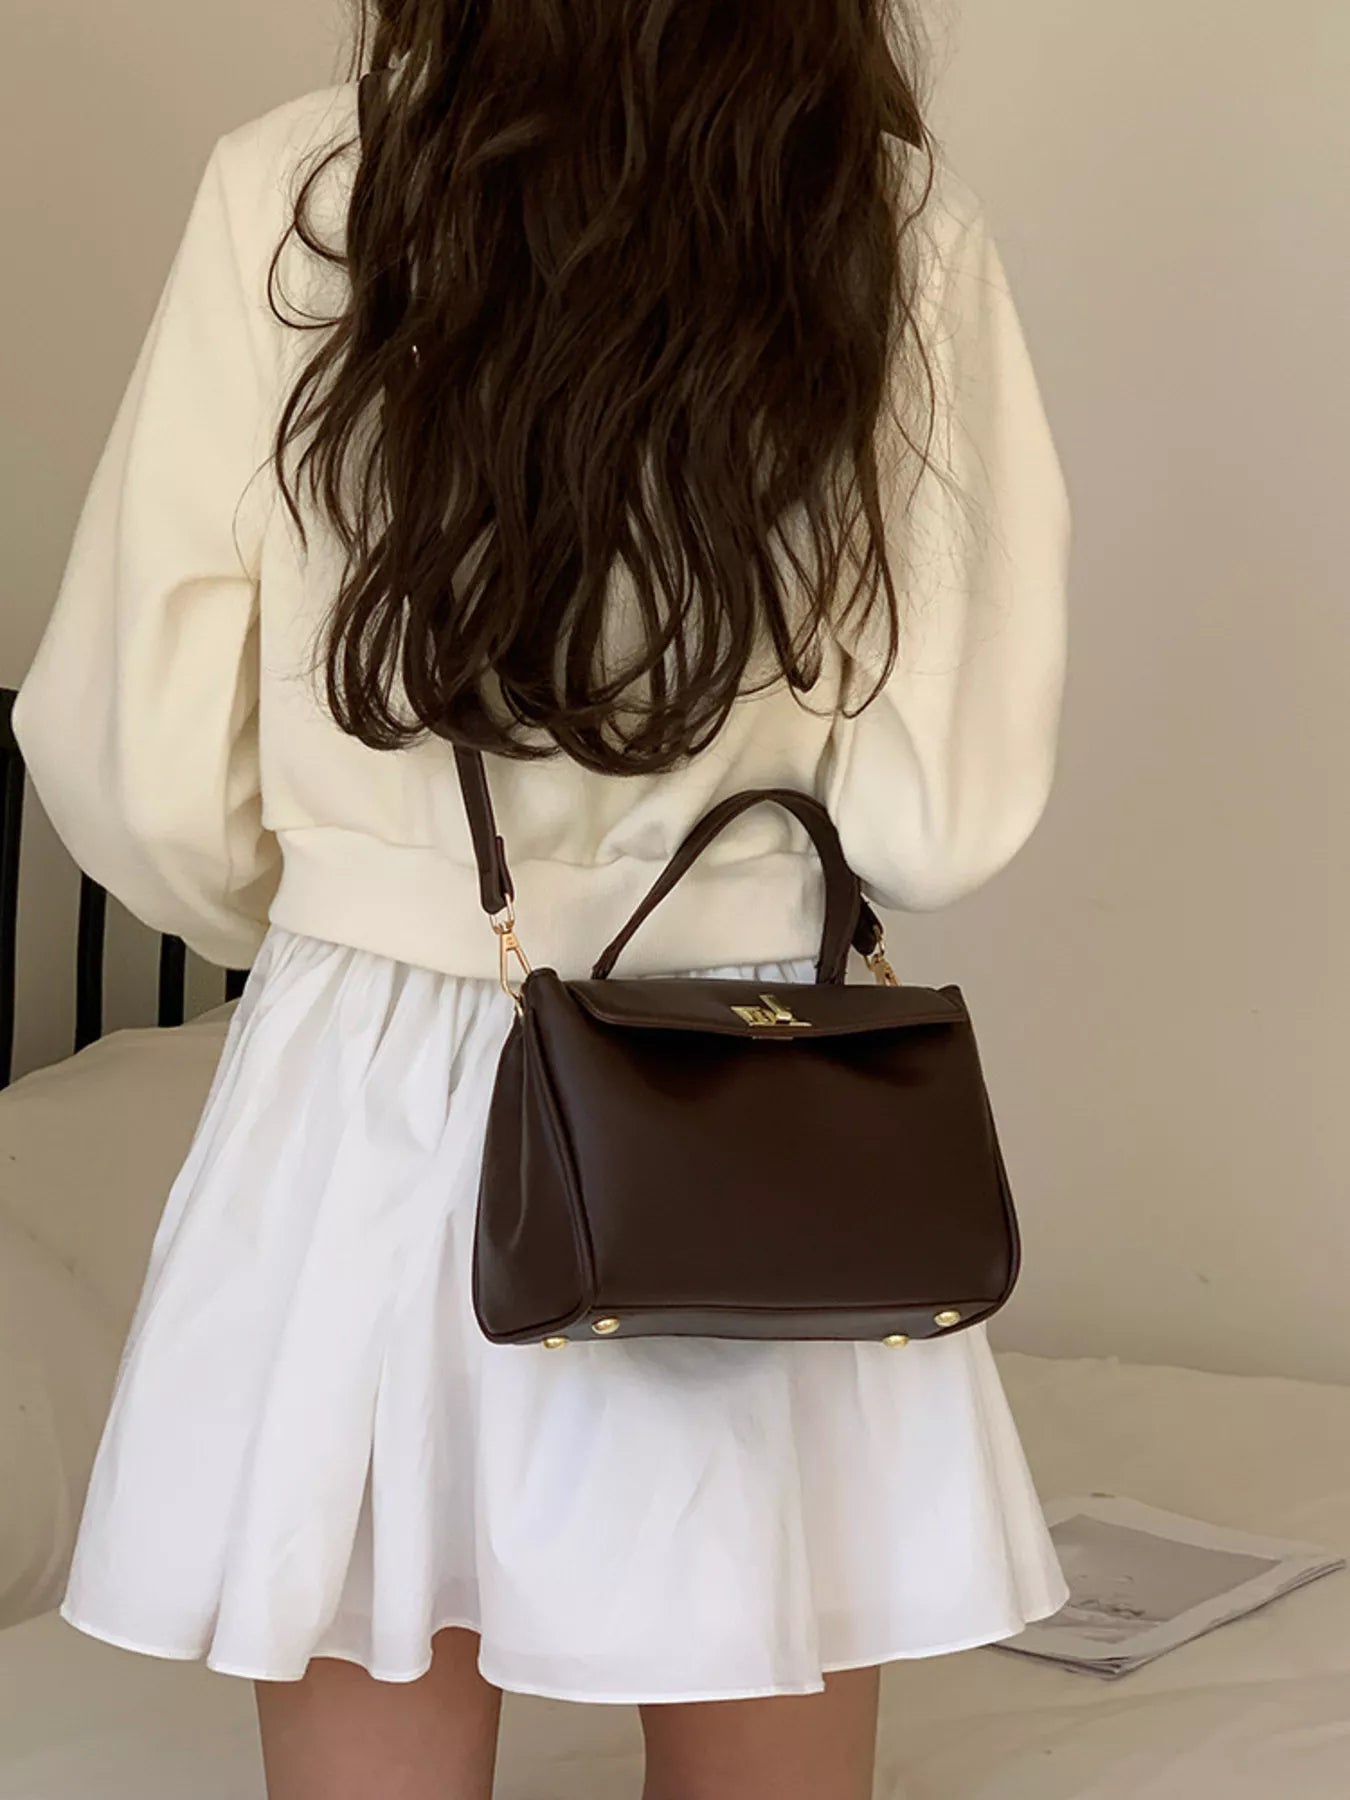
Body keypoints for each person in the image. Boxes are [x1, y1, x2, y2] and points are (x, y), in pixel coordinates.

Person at [13, 5, 1072, 1796]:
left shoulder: (299, 188)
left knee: (371, 1641)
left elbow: (141, 761)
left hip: (365, 1069)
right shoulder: (881, 218)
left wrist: (358, 897)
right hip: (739, 1083)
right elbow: (940, 813)